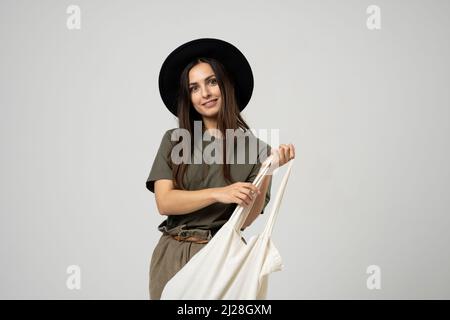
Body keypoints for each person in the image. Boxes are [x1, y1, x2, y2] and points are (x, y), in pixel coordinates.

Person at [145, 38, 295, 299]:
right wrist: (219, 193)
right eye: (194, 88)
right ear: (189, 97)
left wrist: (268, 171)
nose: (205, 93)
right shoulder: (174, 140)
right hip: (172, 254)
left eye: (212, 82)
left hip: (222, 257)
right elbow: (164, 202)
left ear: (226, 85)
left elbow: (246, 219)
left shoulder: (256, 150)